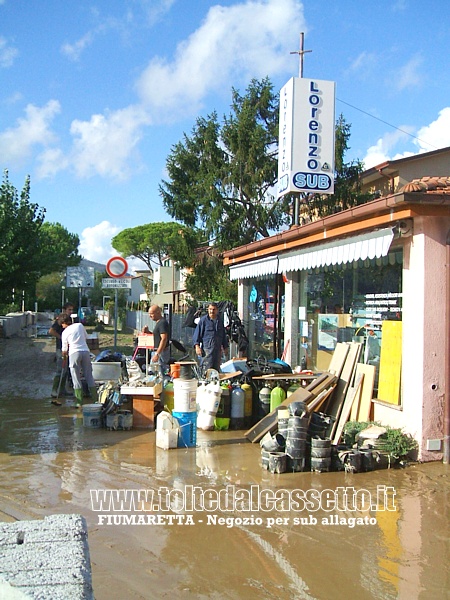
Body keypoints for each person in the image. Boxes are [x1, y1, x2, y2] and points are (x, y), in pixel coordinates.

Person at [60, 314, 97, 405]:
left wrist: (64, 357)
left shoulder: (64, 332)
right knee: (89, 376)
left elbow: (64, 349)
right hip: (85, 352)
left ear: (64, 323)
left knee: (76, 378)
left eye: (62, 324)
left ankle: (79, 403)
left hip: (74, 353)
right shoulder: (79, 325)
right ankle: (96, 400)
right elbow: (86, 337)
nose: (62, 326)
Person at [48, 302, 74, 404]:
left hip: (69, 348)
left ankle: (62, 390)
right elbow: (51, 331)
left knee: (66, 370)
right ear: (64, 310)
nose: (71, 312)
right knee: (60, 369)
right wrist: (61, 338)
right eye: (69, 310)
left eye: (72, 310)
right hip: (60, 349)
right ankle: (54, 391)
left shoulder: (69, 320)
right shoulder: (60, 320)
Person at [193, 302, 229, 373]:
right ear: (208, 310)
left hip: (217, 351)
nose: (212, 311)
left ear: (217, 310)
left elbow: (223, 335)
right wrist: (197, 346)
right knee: (206, 371)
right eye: (210, 309)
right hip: (207, 351)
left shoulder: (220, 321)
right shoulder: (203, 321)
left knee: (216, 372)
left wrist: (225, 347)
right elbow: (196, 334)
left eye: (214, 309)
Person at [145, 305, 170, 377]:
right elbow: (157, 337)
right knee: (153, 374)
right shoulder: (159, 323)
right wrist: (148, 332)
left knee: (160, 374)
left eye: (151, 313)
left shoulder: (162, 323)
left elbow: (164, 338)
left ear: (158, 312)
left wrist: (157, 354)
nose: (150, 316)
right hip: (156, 352)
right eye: (149, 314)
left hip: (160, 353)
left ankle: (162, 386)